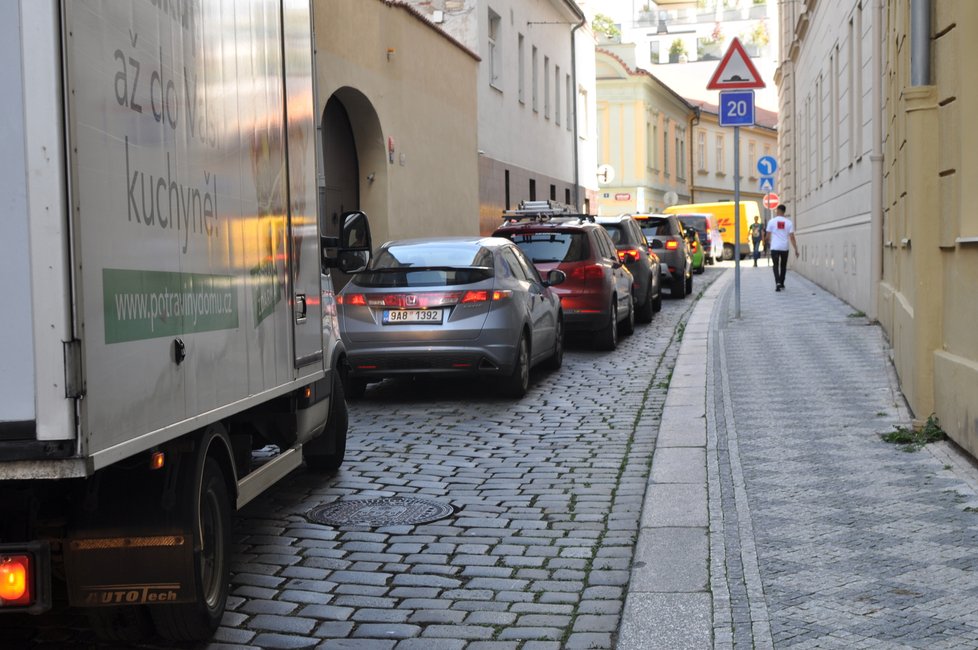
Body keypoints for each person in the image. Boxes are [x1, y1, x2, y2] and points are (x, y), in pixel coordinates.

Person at [765, 204, 799, 291]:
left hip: (775, 247)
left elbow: (768, 236)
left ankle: (777, 283)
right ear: (784, 212)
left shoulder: (772, 221)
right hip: (784, 247)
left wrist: (765, 242)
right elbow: (792, 237)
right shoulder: (788, 222)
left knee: (775, 265)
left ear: (778, 211)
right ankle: (782, 282)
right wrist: (796, 249)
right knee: (783, 266)